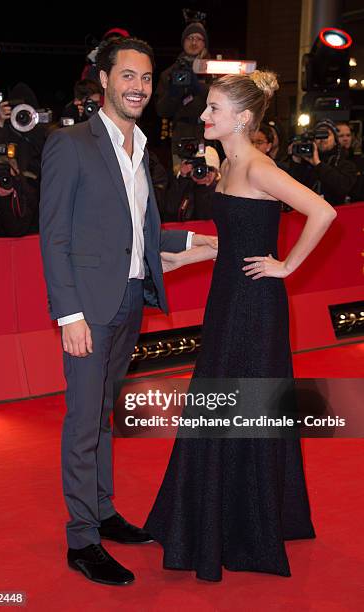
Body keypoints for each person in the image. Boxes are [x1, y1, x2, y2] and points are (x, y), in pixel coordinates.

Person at [145, 70, 337, 581]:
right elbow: (237, 238)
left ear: (243, 118)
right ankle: (210, 520)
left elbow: (322, 211)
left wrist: (287, 266)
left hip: (254, 306)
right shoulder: (227, 162)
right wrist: (189, 260)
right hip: (227, 298)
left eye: (213, 109)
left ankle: (243, 529)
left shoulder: (255, 165)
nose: (204, 116)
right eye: (206, 107)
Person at [39, 36, 217, 587]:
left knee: (104, 418)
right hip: (88, 310)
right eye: (128, 76)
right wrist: (68, 316)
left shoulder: (143, 148)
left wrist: (205, 239)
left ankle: (105, 511)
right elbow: (54, 237)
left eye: (145, 77)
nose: (139, 86)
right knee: (82, 423)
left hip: (128, 306)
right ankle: (82, 539)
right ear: (104, 81)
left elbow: (142, 232)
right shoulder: (70, 144)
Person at [155, 21, 211, 170]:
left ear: (205, 43)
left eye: (198, 38)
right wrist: (174, 94)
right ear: (183, 42)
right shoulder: (169, 73)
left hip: (210, 135)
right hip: (181, 138)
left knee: (209, 180)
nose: (194, 42)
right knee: (181, 181)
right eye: (189, 38)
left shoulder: (215, 69)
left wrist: (199, 88)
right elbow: (161, 111)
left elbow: (228, 102)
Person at [285, 118, 357, 205]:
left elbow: (342, 187)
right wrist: (296, 162)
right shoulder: (306, 162)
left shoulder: (346, 163)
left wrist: (318, 164)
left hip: (336, 213)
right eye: (318, 136)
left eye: (326, 135)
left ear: (335, 140)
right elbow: (292, 190)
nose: (322, 139)